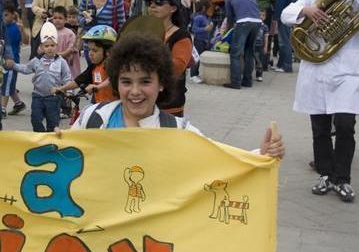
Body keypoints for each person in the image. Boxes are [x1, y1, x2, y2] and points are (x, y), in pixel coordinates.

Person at [68, 32, 284, 161]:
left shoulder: (178, 131)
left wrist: (261, 155)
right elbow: (68, 157)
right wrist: (54, 145)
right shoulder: (93, 118)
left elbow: (220, 160)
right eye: (126, 82)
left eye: (145, 81)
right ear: (115, 82)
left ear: (161, 83)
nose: (135, 91)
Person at [281, 0, 359, 203]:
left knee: (346, 126)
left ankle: (342, 178)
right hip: (318, 70)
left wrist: (349, 10)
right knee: (320, 127)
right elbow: (285, 13)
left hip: (349, 71)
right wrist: (307, 9)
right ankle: (325, 175)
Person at [6, 21, 72, 132]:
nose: (50, 48)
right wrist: (14, 65)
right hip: (38, 96)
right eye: (46, 46)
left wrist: (69, 92)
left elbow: (67, 78)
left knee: (53, 123)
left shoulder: (61, 62)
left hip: (54, 98)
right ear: (41, 47)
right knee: (35, 119)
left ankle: (50, 141)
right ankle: (40, 137)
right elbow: (26, 69)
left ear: (56, 46)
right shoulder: (36, 61)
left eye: (52, 45)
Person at [145, 0, 194, 116]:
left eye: (159, 2)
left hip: (168, 106)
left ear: (173, 8)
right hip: (142, 101)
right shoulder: (144, 32)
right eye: (150, 2)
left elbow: (176, 68)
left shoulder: (181, 36)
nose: (152, 6)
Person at [59, 24, 117, 105]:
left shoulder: (112, 65)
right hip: (99, 105)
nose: (90, 54)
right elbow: (78, 81)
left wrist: (98, 87)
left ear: (108, 51)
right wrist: (62, 88)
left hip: (114, 107)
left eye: (95, 50)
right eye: (89, 50)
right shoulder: (93, 67)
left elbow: (111, 79)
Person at [224, 0, 263, 89]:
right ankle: (247, 81)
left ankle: (235, 82)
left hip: (243, 22)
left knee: (235, 53)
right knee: (249, 52)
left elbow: (230, 19)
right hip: (257, 22)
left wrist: (226, 33)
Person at [248, 0, 277, 73]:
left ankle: (251, 61)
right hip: (266, 10)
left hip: (254, 9)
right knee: (266, 36)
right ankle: (264, 63)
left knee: (253, 36)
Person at [273, 0, 300, 73]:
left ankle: (286, 65)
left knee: (284, 41)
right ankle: (281, 64)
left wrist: (276, 15)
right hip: (291, 12)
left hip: (284, 13)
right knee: (285, 39)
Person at [0, 3, 26, 115]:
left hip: (11, 61)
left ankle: (2, 108)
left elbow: (25, 41)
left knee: (5, 84)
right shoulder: (2, 27)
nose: (3, 18)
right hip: (3, 60)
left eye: (6, 15)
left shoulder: (15, 28)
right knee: (9, 85)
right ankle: (18, 103)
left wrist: (23, 29)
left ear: (13, 15)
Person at [51, 6, 79, 75]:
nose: (57, 20)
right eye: (55, 18)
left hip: (67, 63)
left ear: (65, 20)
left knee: (67, 79)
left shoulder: (70, 33)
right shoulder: (50, 32)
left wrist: (58, 55)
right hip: (54, 63)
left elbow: (70, 49)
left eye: (60, 18)